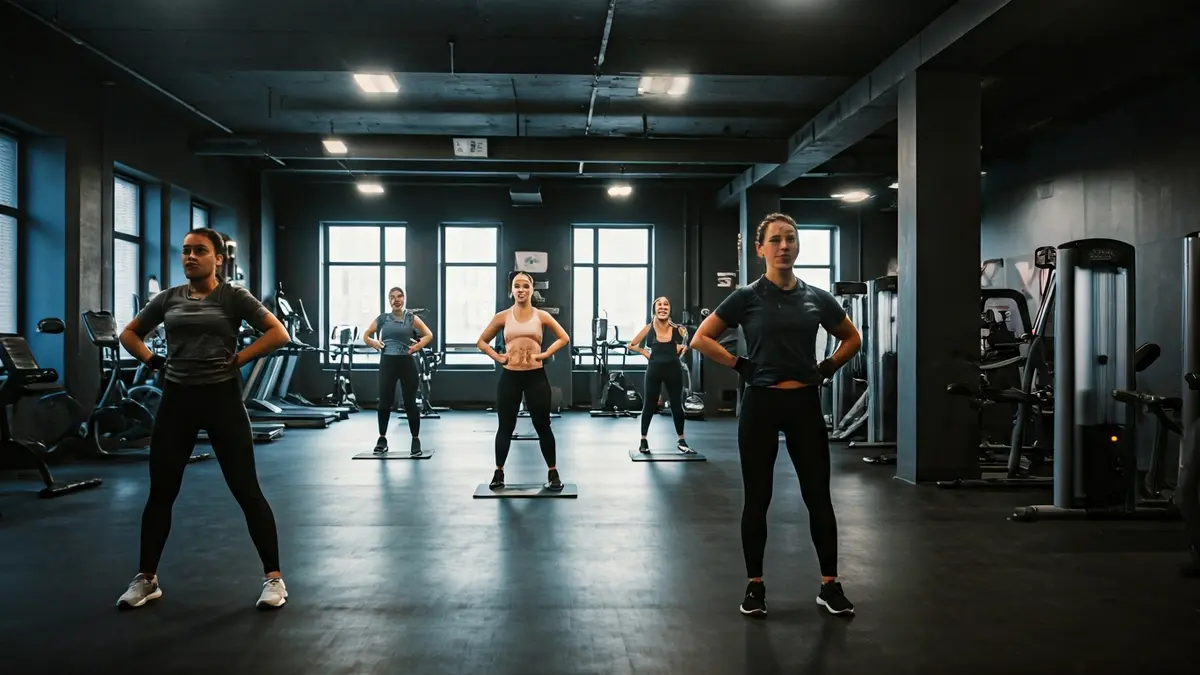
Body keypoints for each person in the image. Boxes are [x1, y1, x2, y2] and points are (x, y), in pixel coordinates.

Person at [690, 212, 862, 619]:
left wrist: (828, 367)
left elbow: (852, 338)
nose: (784, 246)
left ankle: (830, 585)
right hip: (761, 405)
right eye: (776, 240)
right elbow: (701, 338)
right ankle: (755, 586)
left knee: (818, 497)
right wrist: (740, 365)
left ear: (798, 246)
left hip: (804, 405)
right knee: (758, 498)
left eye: (791, 239)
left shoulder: (817, 297)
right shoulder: (747, 296)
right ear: (760, 249)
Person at [115, 227, 292, 611]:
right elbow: (128, 334)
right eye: (185, 251)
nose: (190, 257)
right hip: (177, 400)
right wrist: (152, 360)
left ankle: (274, 580)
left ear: (218, 259)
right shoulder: (168, 299)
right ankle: (147, 579)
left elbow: (279, 333)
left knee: (247, 490)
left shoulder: (233, 296)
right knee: (161, 492)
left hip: (222, 399)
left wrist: (240, 359)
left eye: (199, 251)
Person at [476, 271, 570, 491]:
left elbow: (564, 337)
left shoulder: (541, 316)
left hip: (536, 376)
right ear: (511, 290)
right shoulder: (503, 316)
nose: (521, 290)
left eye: (525, 286)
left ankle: (553, 472)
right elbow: (481, 342)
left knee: (543, 426)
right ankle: (499, 472)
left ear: (531, 289)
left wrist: (545, 354)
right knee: (505, 427)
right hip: (510, 376)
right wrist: (498, 357)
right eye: (517, 286)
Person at [362, 287, 434, 456]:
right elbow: (366, 334)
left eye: (399, 296)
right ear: (389, 300)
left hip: (406, 363)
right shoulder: (382, 319)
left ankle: (415, 440)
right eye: (392, 297)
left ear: (404, 299)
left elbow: (428, 335)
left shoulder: (411, 318)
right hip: (388, 362)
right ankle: (382, 439)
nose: (396, 300)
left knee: (410, 402)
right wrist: (373, 343)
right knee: (384, 402)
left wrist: (417, 346)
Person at [627, 297, 693, 453]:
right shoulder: (649, 328)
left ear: (670, 309)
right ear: (654, 309)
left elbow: (687, 344)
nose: (663, 307)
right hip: (654, 370)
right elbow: (631, 345)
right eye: (659, 305)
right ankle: (643, 440)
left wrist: (683, 348)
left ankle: (682, 440)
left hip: (673, 370)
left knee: (676, 404)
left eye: (666, 305)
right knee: (649, 405)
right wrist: (644, 352)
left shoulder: (678, 329)